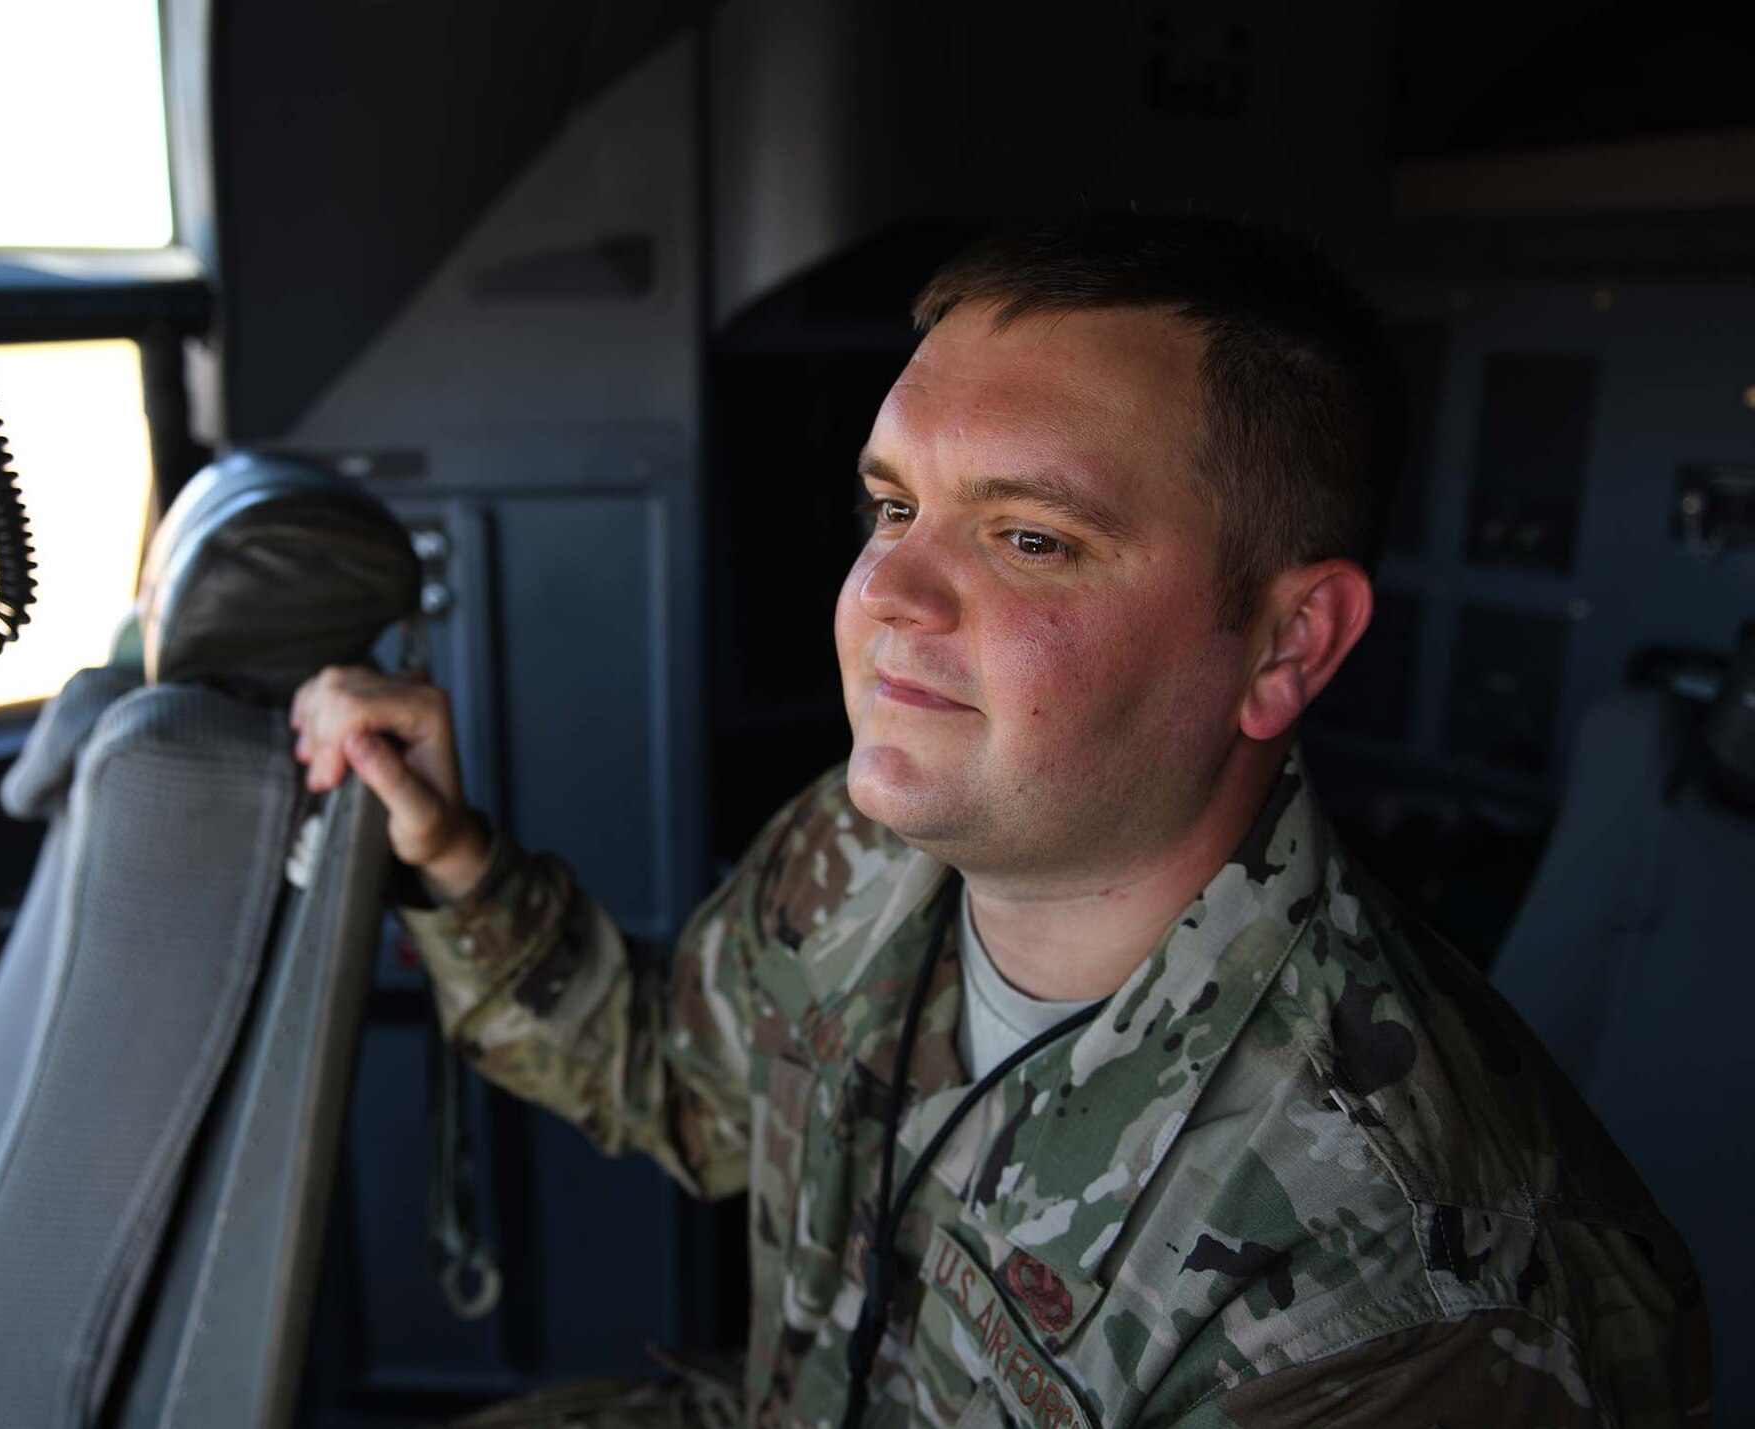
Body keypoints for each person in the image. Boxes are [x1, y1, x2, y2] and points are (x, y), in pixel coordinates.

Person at [291, 214, 1708, 1428]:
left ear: (1287, 644)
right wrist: (454, 854)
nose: (887, 598)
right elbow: (678, 1076)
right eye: (892, 505)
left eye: (1029, 537)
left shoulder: (1412, 1280)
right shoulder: (870, 849)